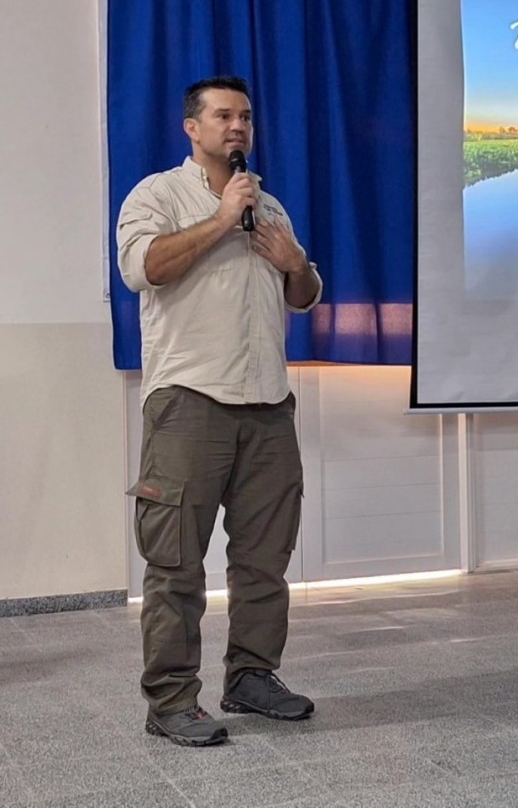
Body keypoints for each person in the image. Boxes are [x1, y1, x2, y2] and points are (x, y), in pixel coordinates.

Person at [117, 76, 322, 747]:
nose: (237, 127)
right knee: (175, 563)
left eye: (246, 117)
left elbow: (303, 294)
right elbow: (144, 268)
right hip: (189, 402)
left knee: (265, 560)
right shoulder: (157, 195)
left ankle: (252, 677)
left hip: (268, 404)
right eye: (223, 116)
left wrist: (296, 264)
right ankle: (171, 700)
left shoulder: (271, 207)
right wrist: (218, 220)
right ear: (192, 128)